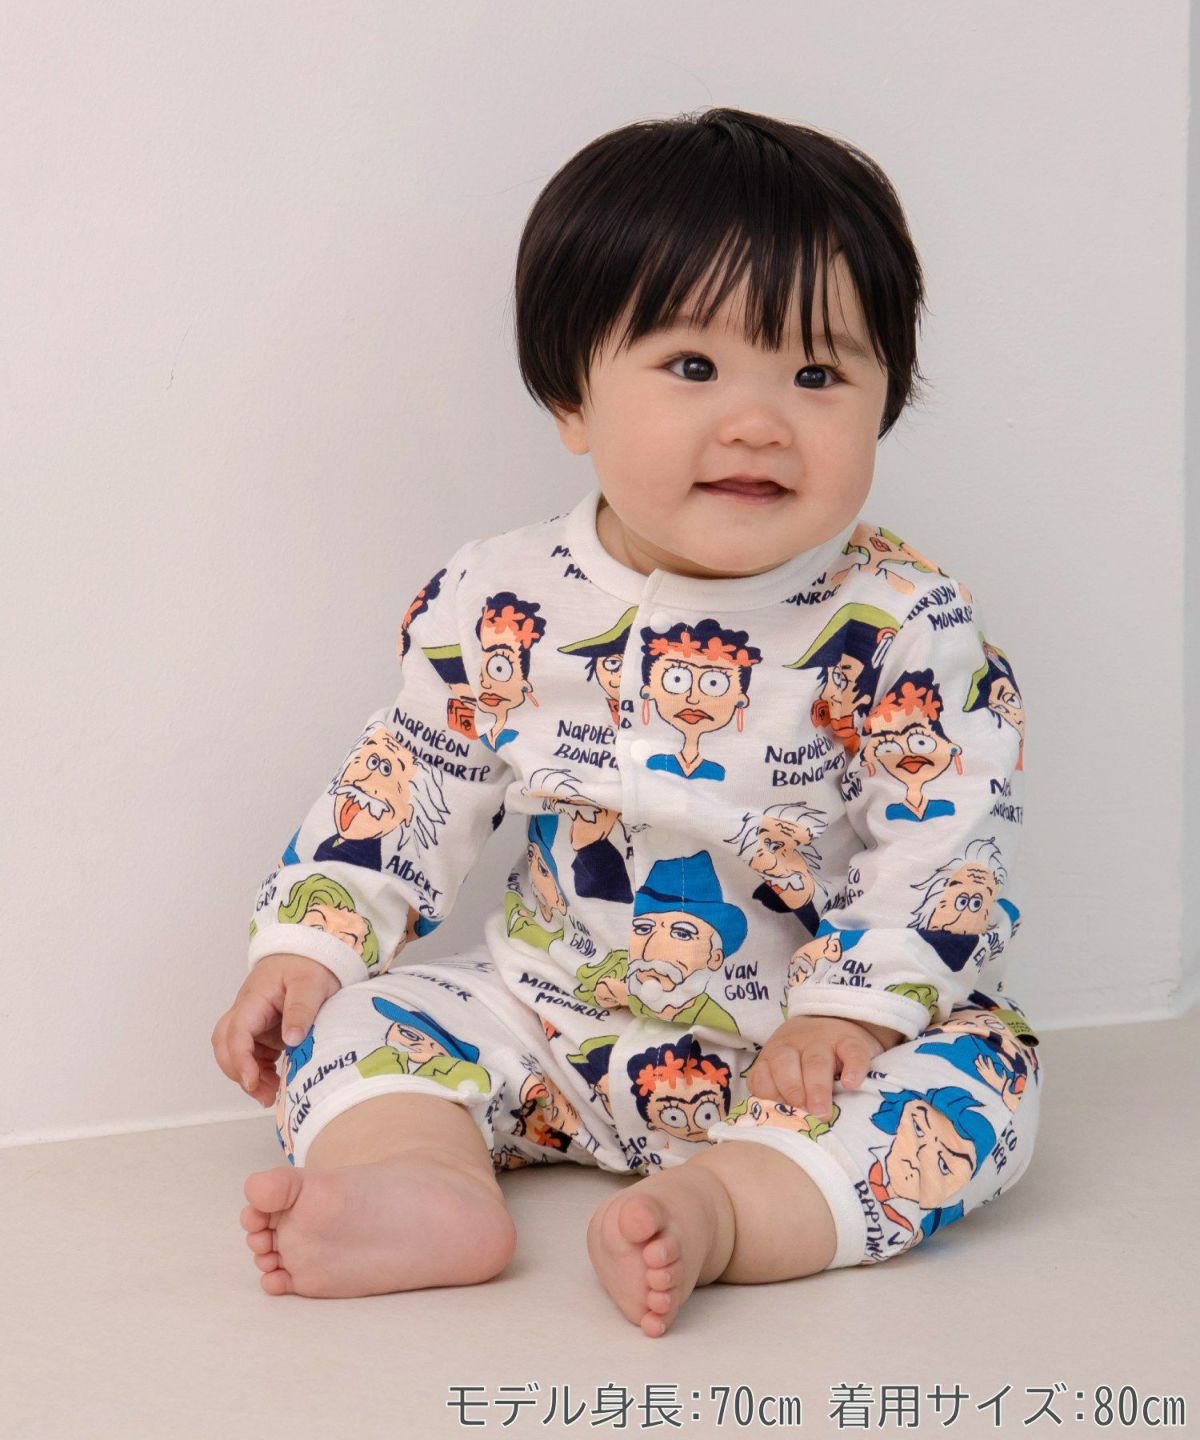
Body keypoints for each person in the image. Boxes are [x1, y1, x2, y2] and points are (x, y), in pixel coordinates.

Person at [212, 106, 1040, 1337]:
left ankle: (728, 1211)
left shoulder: (902, 624)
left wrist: (853, 1012)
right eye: (694, 367)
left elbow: (948, 841)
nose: (758, 421)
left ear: (884, 400)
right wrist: (311, 943)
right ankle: (420, 1185)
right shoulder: (501, 598)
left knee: (979, 1091)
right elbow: (414, 777)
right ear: (573, 399)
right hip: (547, 1018)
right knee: (366, 1018)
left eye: (818, 375)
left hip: (802, 1052)